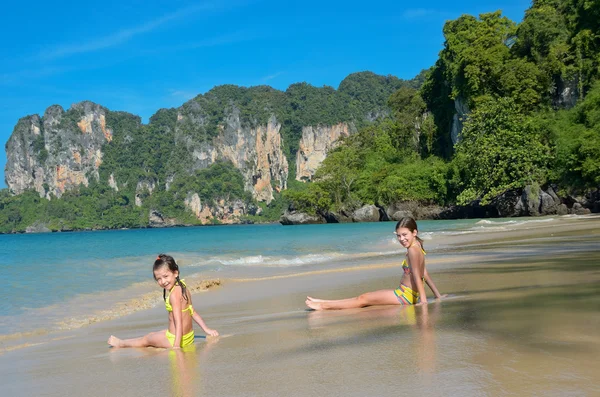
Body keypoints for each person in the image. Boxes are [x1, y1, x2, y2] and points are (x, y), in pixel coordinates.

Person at [305, 217, 444, 310]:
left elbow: (417, 276)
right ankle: (324, 302)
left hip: (404, 296)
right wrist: (437, 295)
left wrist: (424, 302)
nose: (401, 239)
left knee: (363, 299)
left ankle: (323, 306)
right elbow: (424, 272)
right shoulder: (417, 245)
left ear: (414, 232)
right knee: (363, 298)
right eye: (398, 235)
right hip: (406, 294)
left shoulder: (413, 250)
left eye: (404, 235)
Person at [108, 254, 219, 348]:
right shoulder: (183, 286)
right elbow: (192, 311)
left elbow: (178, 320)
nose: (163, 281)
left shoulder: (174, 295)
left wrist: (176, 346)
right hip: (188, 337)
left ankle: (121, 343)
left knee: (146, 339)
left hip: (176, 340)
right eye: (159, 279)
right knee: (153, 334)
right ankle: (124, 342)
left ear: (175, 273)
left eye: (166, 276)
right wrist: (207, 330)